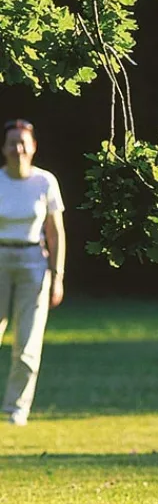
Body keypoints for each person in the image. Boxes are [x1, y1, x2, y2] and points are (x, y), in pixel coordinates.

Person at [0, 119, 65, 426]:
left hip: (33, 263)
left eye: (24, 142)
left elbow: (55, 233)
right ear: (4, 148)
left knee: (27, 343)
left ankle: (16, 409)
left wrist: (57, 275)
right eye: (12, 142)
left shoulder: (45, 182)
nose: (18, 149)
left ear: (34, 146)